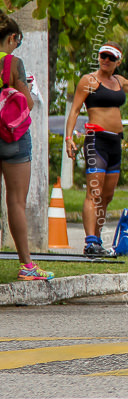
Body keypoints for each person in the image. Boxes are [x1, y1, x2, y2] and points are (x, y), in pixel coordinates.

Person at [65, 42, 128, 256]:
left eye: (110, 57)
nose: (105, 60)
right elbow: (74, 110)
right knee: (94, 193)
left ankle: (96, 242)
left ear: (118, 61)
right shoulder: (89, 81)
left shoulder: (118, 81)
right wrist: (69, 137)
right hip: (96, 140)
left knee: (107, 196)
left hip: (115, 143)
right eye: (102, 56)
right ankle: (90, 242)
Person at [0, 19, 50, 280]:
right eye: (18, 41)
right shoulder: (12, 63)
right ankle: (27, 266)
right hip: (11, 137)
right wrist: (27, 89)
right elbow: (27, 103)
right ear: (11, 38)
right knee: (16, 202)